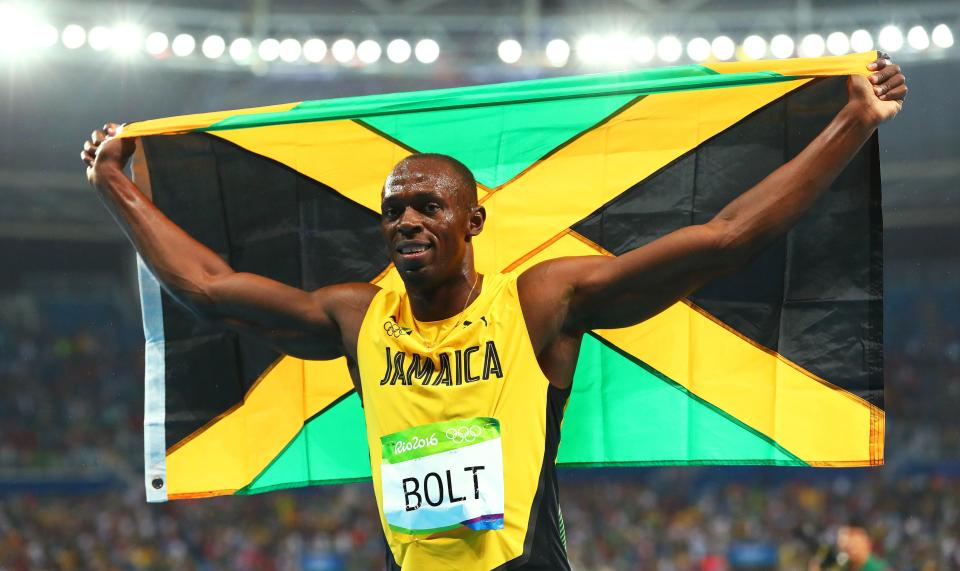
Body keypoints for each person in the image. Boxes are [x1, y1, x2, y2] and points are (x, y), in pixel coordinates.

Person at [82, 58, 906, 570]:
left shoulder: (540, 301)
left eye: (428, 206)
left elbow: (722, 238)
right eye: (394, 208)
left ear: (473, 221)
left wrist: (850, 121)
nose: (407, 220)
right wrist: (116, 184)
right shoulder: (356, 318)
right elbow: (210, 286)